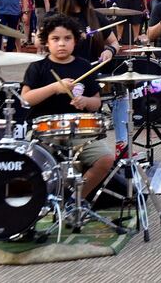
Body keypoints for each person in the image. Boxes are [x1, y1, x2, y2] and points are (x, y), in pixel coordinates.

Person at [21, 14, 114, 197]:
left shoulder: (84, 66)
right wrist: (55, 87)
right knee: (32, 165)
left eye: (67, 38)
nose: (61, 43)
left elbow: (96, 103)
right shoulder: (38, 67)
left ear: (75, 41)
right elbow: (26, 99)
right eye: (55, 39)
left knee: (106, 159)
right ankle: (43, 200)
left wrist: (86, 102)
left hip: (80, 132)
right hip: (44, 133)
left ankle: (76, 199)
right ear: (46, 42)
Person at [55, 0, 124, 156]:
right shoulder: (56, 17)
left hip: (91, 76)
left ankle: (122, 144)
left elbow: (115, 43)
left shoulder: (94, 16)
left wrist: (109, 51)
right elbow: (40, 42)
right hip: (62, 77)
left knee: (122, 90)